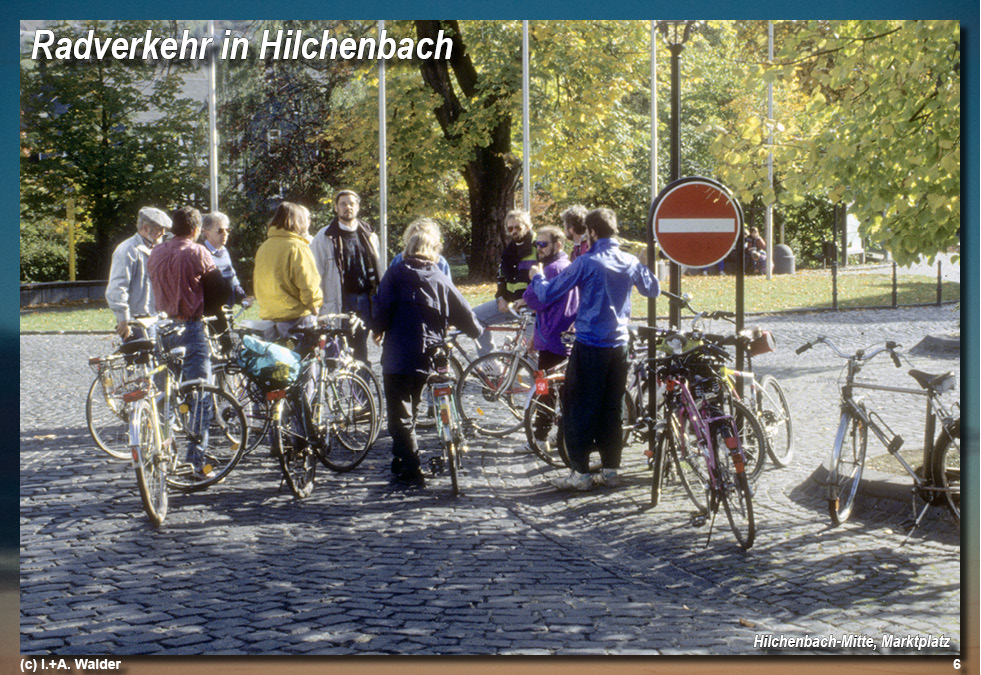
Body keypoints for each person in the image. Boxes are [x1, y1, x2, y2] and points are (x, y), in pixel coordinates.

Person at [527, 207, 660, 491]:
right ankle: (611, 471)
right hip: (620, 346)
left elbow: (548, 294)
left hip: (589, 345)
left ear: (592, 232)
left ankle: (581, 474)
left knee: (579, 407)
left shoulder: (587, 262)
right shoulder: (628, 260)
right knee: (613, 408)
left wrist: (537, 276)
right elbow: (653, 290)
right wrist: (643, 262)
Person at [371, 219, 482, 488]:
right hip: (429, 352)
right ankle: (401, 459)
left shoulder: (396, 272)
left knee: (400, 414)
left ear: (408, 248)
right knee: (415, 403)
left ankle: (412, 468)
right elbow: (463, 309)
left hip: (398, 352)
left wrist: (377, 329)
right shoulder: (439, 275)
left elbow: (381, 306)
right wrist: (475, 331)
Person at [147, 206, 218, 480]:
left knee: (165, 395)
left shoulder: (156, 251)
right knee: (200, 394)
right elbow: (217, 285)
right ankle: (197, 461)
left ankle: (163, 455)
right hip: (190, 325)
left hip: (163, 328)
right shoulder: (197, 251)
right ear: (196, 229)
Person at [522, 226, 579, 443]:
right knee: (566, 391)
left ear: (558, 244)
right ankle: (563, 437)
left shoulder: (551, 270)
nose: (539, 248)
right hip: (566, 337)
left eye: (543, 244)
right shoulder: (569, 266)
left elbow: (533, 299)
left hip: (551, 338)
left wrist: (534, 278)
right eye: (537, 244)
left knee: (544, 389)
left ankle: (540, 437)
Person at [309, 190, 381, 362]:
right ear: (336, 208)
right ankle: (338, 387)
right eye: (343, 204)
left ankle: (361, 387)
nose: (347, 207)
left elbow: (378, 271)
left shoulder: (369, 235)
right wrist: (316, 306)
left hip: (364, 300)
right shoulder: (324, 237)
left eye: (351, 203)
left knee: (360, 350)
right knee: (336, 351)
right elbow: (314, 274)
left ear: (358, 207)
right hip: (339, 301)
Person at [253, 202, 324, 342]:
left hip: (269, 317)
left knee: (276, 362)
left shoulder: (264, 247)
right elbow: (307, 283)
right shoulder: (297, 247)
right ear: (298, 222)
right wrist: (314, 305)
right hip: (296, 317)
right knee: (304, 361)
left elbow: (258, 282)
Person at [471, 209, 536, 356]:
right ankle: (490, 362)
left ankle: (531, 375)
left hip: (533, 308)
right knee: (475, 317)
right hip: (512, 305)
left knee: (530, 354)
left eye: (517, 227)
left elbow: (548, 277)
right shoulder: (509, 250)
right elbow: (501, 277)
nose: (513, 231)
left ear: (527, 226)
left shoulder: (538, 247)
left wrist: (527, 299)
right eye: (510, 228)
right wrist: (500, 298)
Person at [105, 206, 172, 341]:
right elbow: (117, 287)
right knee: (139, 360)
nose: (163, 233)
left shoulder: (157, 249)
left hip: (157, 317)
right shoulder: (127, 250)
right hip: (137, 321)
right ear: (146, 228)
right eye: (160, 229)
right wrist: (123, 319)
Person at [201, 212, 250, 309]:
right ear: (207, 233)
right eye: (220, 231)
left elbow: (232, 279)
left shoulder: (224, 251)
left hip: (227, 310)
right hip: (210, 311)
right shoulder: (201, 253)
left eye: (227, 230)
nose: (225, 234)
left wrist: (242, 297)